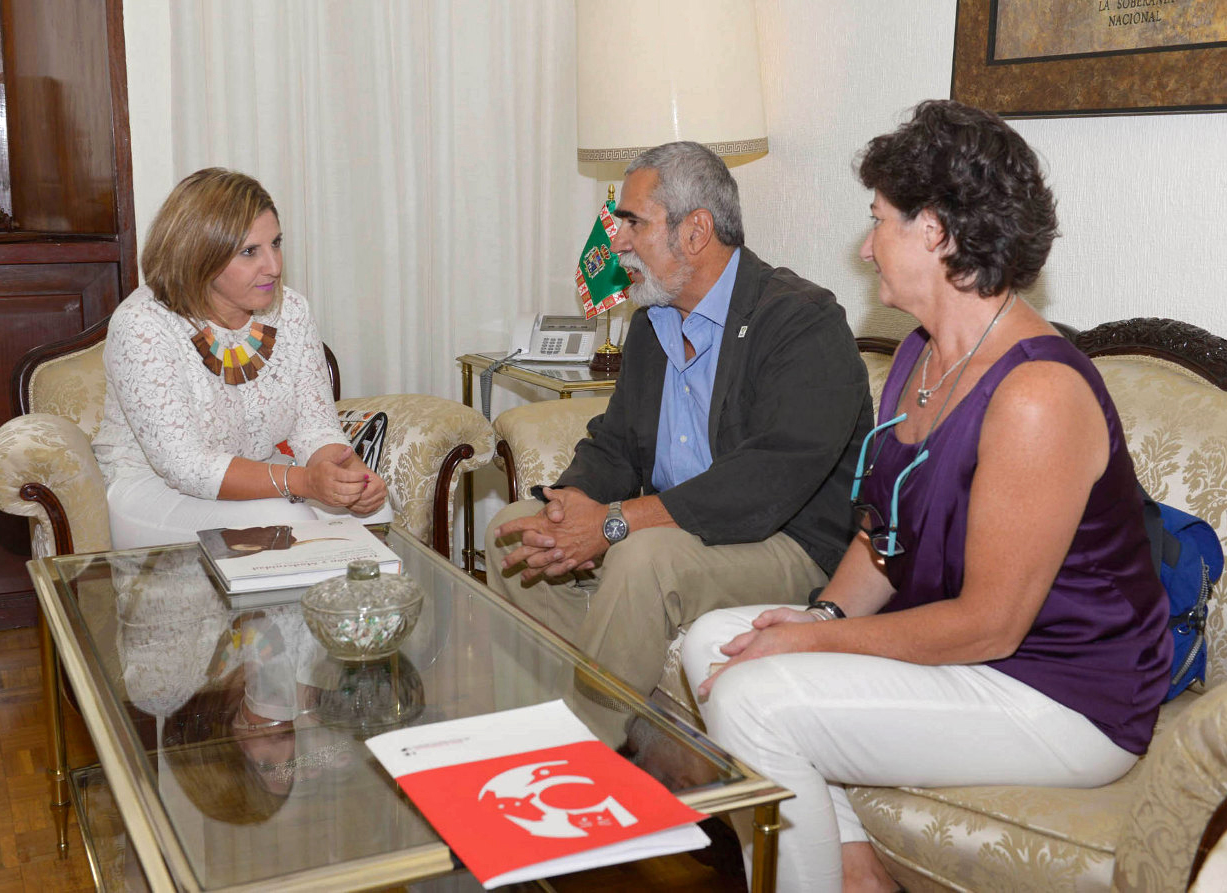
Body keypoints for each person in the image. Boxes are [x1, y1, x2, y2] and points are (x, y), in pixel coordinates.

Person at [681, 100, 1172, 892]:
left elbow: (989, 624)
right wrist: (821, 619)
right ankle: (853, 869)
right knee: (712, 641)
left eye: (879, 220)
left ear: (935, 231)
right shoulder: (919, 353)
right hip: (969, 655)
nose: (867, 244)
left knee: (755, 700)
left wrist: (813, 644)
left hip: (1064, 694)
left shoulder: (1036, 393)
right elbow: (886, 532)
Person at [486, 141, 872, 718]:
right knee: (514, 530)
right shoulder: (655, 320)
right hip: (685, 532)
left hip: (792, 545)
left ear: (695, 232)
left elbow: (765, 482)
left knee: (646, 560)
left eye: (633, 223)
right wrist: (571, 505)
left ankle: (590, 764)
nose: (617, 241)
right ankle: (552, 721)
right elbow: (616, 441)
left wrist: (615, 522)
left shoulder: (800, 321)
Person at [93, 168, 391, 549]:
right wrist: (303, 482)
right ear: (200, 255)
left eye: (276, 244)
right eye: (250, 251)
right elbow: (187, 467)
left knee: (374, 512)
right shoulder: (142, 324)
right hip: (155, 490)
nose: (274, 266)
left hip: (265, 483)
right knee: (288, 521)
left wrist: (350, 476)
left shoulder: (292, 310)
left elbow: (314, 427)